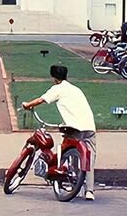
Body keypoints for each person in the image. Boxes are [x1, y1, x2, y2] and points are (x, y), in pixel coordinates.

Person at [22, 65, 97, 201]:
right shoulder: (76, 89)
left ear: (54, 77)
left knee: (72, 155)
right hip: (90, 127)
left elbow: (41, 100)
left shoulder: (58, 88)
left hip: (75, 127)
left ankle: (75, 184)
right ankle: (89, 191)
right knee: (88, 159)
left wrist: (27, 105)